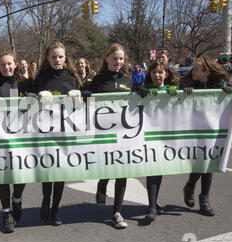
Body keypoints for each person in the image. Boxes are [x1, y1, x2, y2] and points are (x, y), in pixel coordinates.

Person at [88, 43, 148, 229]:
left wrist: (140, 91)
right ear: (106, 58)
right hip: (103, 134)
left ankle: (117, 211)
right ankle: (102, 184)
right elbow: (85, 96)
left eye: (121, 59)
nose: (118, 62)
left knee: (122, 172)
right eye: (114, 58)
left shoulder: (128, 80)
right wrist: (85, 93)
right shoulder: (97, 80)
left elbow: (137, 99)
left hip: (124, 135)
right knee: (107, 168)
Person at [33, 42, 84, 226]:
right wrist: (39, 94)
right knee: (48, 171)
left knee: (61, 172)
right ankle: (46, 201)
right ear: (47, 58)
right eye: (53, 57)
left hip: (65, 131)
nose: (57, 60)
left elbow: (80, 107)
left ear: (65, 58)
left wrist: (77, 96)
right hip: (46, 131)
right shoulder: (41, 77)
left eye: (60, 57)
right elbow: (30, 100)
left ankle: (56, 209)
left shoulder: (71, 77)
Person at [181, 57, 232, 217]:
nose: (193, 71)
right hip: (194, 129)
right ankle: (189, 186)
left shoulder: (218, 86)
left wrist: (228, 93)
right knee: (199, 163)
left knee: (208, 163)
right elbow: (178, 90)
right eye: (193, 69)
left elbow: (231, 90)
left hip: (211, 130)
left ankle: (204, 199)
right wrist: (185, 92)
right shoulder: (190, 82)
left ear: (206, 72)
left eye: (196, 69)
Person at [0, 51, 27, 233]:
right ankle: (6, 214)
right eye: (3, 65)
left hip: (23, 136)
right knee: (3, 176)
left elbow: (34, 100)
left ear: (15, 64)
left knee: (22, 172)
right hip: (1, 136)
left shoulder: (22, 84)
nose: (7, 67)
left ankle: (17, 199)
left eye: (9, 64)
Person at [142, 60, 178, 222]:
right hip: (148, 136)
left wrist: (186, 94)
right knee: (152, 170)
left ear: (167, 74)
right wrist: (141, 92)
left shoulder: (172, 91)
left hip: (166, 137)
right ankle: (151, 207)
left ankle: (154, 203)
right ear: (149, 74)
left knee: (159, 170)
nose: (157, 75)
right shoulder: (145, 90)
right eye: (154, 72)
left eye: (160, 72)